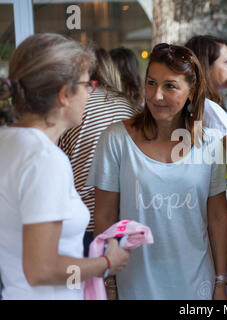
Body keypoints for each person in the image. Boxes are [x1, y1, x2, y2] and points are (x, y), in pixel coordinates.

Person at [87, 43, 227, 300]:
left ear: (192, 90)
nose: (156, 95)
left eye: (170, 86)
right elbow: (104, 216)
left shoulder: (210, 143)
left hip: (197, 284)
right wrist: (110, 284)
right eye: (151, 83)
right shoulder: (116, 139)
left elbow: (218, 217)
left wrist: (220, 283)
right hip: (134, 284)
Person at [0, 33, 130, 300]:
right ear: (63, 96)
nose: (89, 93)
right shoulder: (44, 159)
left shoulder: (8, 140)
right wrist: (106, 264)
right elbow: (42, 270)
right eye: (86, 85)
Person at [186, 35, 227, 300]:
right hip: (220, 215)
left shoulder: (204, 108)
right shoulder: (209, 110)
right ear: (205, 66)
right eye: (226, 62)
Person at [58, 48, 138, 258]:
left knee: (90, 287)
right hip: (124, 220)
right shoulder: (129, 105)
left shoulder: (72, 108)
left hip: (83, 221)